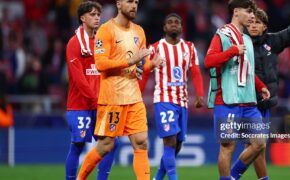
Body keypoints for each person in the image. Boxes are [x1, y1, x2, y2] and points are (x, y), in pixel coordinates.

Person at [76, 0, 162, 179]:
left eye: (137, 2)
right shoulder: (106, 30)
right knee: (105, 145)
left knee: (141, 143)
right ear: (119, 4)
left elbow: (139, 66)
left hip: (134, 98)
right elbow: (101, 64)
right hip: (112, 98)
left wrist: (151, 65)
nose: (134, 6)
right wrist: (130, 60)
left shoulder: (139, 31)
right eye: (130, 1)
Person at [204, 0, 270, 179]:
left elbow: (247, 71)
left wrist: (261, 86)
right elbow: (209, 61)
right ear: (236, 12)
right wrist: (231, 51)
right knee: (228, 146)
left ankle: (232, 175)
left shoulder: (247, 39)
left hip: (248, 101)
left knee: (259, 143)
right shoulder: (222, 34)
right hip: (227, 99)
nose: (251, 16)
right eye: (248, 12)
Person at [246, 1, 290, 179]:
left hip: (265, 104)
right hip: (246, 103)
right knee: (255, 146)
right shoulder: (240, 44)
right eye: (250, 22)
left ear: (264, 27)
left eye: (257, 23)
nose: (253, 26)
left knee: (257, 147)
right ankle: (233, 176)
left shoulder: (272, 42)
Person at [139, 13, 205, 180]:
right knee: (169, 141)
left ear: (182, 27)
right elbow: (145, 73)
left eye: (177, 22)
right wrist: (138, 95)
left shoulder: (189, 47)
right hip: (163, 99)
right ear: (164, 28)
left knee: (178, 144)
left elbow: (196, 72)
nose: (173, 24)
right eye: (170, 22)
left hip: (182, 101)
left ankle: (158, 177)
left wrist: (199, 94)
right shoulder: (154, 48)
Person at [65, 1, 118, 180]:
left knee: (110, 143)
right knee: (78, 144)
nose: (96, 18)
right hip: (80, 104)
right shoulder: (74, 43)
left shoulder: (102, 43)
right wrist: (95, 99)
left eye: (98, 15)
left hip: (101, 103)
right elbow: (78, 78)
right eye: (92, 14)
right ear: (82, 18)